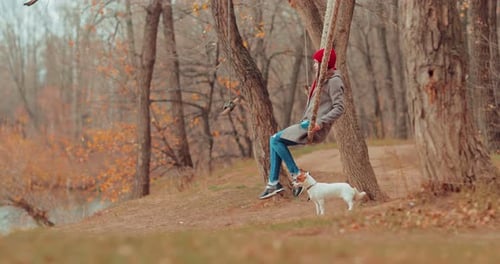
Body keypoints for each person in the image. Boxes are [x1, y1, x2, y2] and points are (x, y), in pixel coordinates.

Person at [259, 48, 345, 199]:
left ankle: (294, 175)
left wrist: (320, 121)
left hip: (314, 127)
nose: (314, 65)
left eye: (316, 63)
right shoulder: (321, 79)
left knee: (274, 139)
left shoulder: (334, 81)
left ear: (325, 63)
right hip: (306, 123)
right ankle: (274, 183)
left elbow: (339, 108)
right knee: (275, 140)